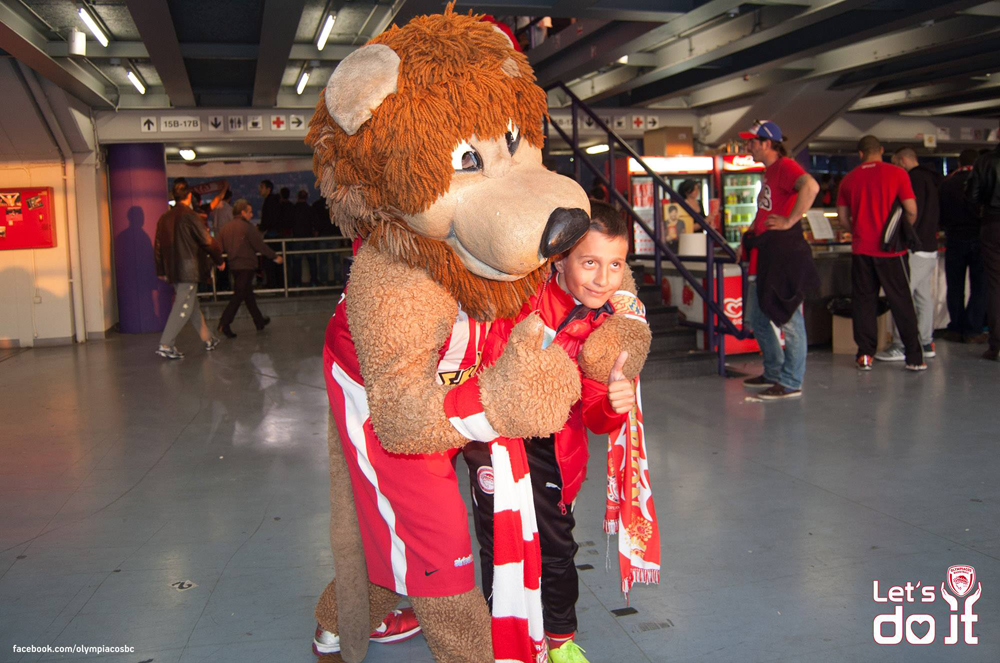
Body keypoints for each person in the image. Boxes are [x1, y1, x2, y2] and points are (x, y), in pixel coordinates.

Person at [463, 201, 647, 663]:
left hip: (556, 450)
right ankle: (506, 639)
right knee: (499, 543)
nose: (603, 279)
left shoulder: (610, 325)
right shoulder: (520, 295)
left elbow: (595, 417)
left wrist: (614, 403)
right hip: (494, 438)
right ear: (560, 259)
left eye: (615, 265)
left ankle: (561, 639)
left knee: (557, 547)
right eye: (590, 263)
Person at [737, 120, 820, 399]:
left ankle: (791, 381)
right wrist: (748, 236)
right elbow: (764, 211)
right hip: (764, 256)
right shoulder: (770, 172)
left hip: (782, 257)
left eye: (752, 142)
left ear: (767, 143)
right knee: (757, 320)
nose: (748, 147)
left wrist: (790, 220)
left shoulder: (785, 166)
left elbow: (811, 186)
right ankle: (773, 371)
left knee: (790, 321)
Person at [837, 135, 925, 371]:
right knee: (902, 302)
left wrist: (859, 231)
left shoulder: (848, 179)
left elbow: (843, 218)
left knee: (864, 302)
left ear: (860, 154)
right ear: (882, 150)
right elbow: (911, 210)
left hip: (861, 251)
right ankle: (914, 357)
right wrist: (899, 233)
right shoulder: (898, 174)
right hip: (892, 251)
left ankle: (865, 355)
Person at [875, 147, 943, 361]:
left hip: (915, 247)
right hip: (930, 247)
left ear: (902, 160)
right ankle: (925, 342)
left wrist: (903, 237)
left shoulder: (912, 180)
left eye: (896, 163)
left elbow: (910, 211)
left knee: (901, 296)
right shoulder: (932, 179)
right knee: (922, 297)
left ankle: (901, 344)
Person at [154, 179, 225, 359]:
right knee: (183, 306)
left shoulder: (164, 218)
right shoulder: (190, 216)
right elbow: (207, 241)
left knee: (191, 304)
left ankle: (208, 339)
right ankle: (166, 344)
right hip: (189, 269)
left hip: (173, 269)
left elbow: (158, 247)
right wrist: (219, 260)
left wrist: (161, 270)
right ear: (189, 196)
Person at [215, 200, 283, 337]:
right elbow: (260, 246)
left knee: (247, 295)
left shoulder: (225, 228)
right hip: (247, 266)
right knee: (240, 294)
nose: (252, 215)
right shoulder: (247, 227)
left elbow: (218, 247)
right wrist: (274, 256)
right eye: (250, 212)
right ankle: (224, 323)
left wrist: (218, 261)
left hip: (234, 266)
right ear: (243, 212)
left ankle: (259, 321)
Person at [940, 149, 986, 343]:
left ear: (959, 163)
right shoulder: (983, 182)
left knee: (955, 286)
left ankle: (956, 327)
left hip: (954, 239)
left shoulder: (946, 183)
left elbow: (940, 214)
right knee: (980, 286)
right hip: (979, 238)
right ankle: (973, 329)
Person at [966, 126, 1000, 361]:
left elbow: (972, 196)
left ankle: (997, 345)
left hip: (993, 224)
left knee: (996, 286)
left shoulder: (985, 161)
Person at [290, 189, 318, 288]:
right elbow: (315, 223)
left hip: (297, 238)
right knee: (312, 261)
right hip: (309, 237)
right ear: (306, 197)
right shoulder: (310, 209)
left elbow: (290, 223)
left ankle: (297, 283)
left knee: (297, 262)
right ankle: (314, 282)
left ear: (298, 197)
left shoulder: (294, 209)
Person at [258, 180, 283, 288]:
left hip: (271, 235)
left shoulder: (269, 202)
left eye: (262, 187)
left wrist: (261, 227)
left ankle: (272, 283)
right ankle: (277, 283)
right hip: (275, 233)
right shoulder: (274, 201)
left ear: (268, 189)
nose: (260, 189)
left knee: (269, 260)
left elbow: (268, 219)